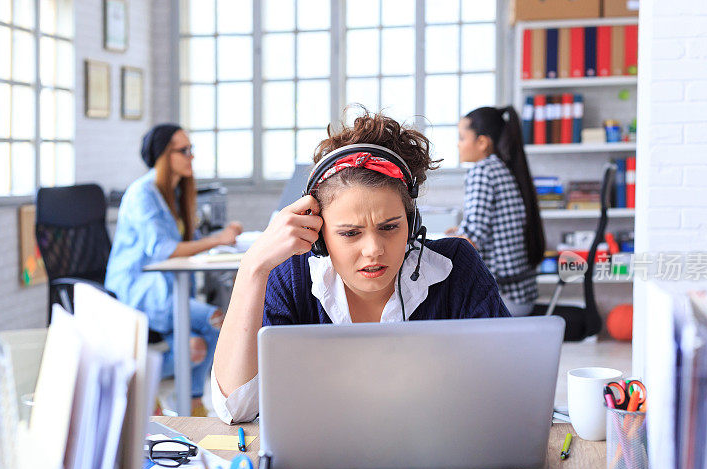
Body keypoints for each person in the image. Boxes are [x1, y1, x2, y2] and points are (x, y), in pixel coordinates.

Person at [211, 111, 511, 424]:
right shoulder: (292, 278)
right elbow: (237, 409)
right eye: (350, 233)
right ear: (320, 235)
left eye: (390, 227)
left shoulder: (455, 267)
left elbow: (508, 388)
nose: (374, 250)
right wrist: (252, 268)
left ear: (412, 224)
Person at [105, 123, 243, 416]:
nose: (191, 156)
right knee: (215, 319)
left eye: (191, 149)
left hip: (168, 292)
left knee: (196, 346)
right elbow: (162, 249)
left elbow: (185, 245)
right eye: (184, 150)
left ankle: (179, 401)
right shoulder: (143, 193)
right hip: (141, 292)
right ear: (164, 155)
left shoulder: (176, 192)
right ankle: (175, 396)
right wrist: (217, 239)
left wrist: (218, 240)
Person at [453, 106, 545, 317]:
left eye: (462, 137)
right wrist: (458, 231)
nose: (458, 144)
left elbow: (473, 238)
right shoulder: (503, 168)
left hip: (503, 298)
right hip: (522, 295)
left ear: (483, 142)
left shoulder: (482, 171)